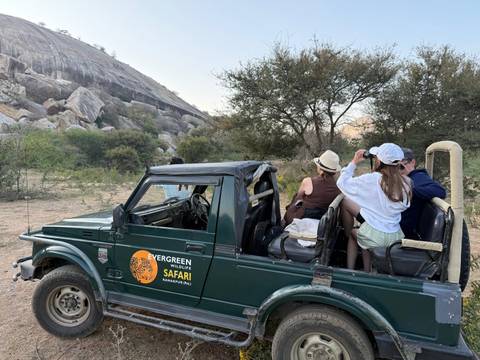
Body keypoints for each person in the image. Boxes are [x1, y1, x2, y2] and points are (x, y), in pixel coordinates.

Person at [337, 143, 412, 271]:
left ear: (379, 161)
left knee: (354, 234)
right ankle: (369, 271)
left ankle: (351, 269)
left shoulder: (371, 180)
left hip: (376, 235)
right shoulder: (406, 182)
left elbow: (342, 183)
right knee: (366, 240)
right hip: (395, 236)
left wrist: (354, 162)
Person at [283, 150, 341, 226]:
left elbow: (297, 199)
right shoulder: (338, 186)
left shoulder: (308, 181)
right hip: (325, 220)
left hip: (306, 217)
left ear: (320, 167)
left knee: (295, 201)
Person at [400, 148, 446, 239]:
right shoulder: (402, 178)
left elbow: (440, 191)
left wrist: (409, 190)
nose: (399, 168)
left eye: (402, 164)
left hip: (404, 232)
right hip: (398, 225)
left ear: (412, 162)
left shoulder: (418, 177)